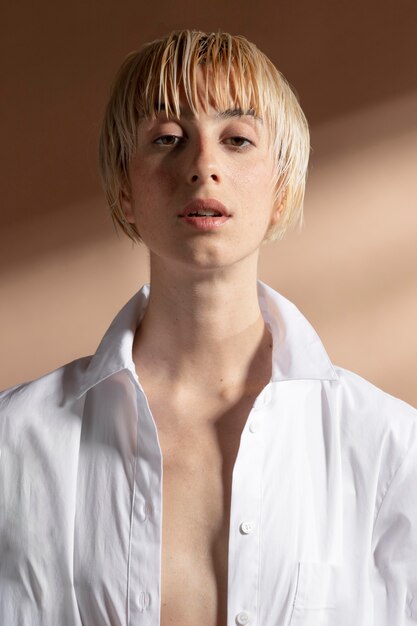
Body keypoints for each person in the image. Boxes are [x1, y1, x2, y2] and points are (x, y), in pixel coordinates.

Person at [0, 29, 416, 626]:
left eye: (238, 139)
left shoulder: (389, 449)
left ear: (281, 186)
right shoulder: (15, 444)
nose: (202, 166)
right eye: (167, 139)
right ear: (124, 186)